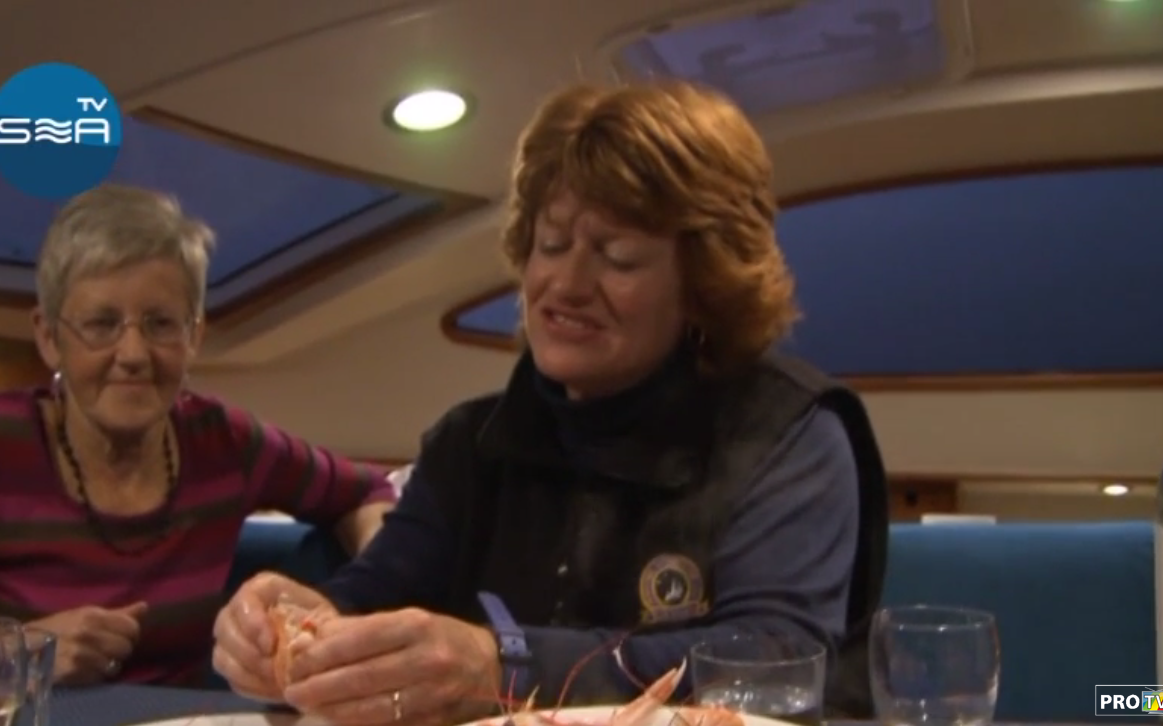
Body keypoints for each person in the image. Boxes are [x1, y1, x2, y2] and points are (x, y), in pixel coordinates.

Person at [212, 80, 888, 724]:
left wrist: (502, 665)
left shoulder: (790, 434)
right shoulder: (467, 443)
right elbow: (367, 598)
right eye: (551, 244)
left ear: (705, 282)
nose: (565, 284)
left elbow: (773, 658)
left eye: (618, 257)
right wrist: (298, 631)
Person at [0, 184, 396, 687]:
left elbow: (367, 492)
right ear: (49, 337)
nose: (133, 354)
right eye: (101, 324)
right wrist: (16, 652)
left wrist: (371, 595)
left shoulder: (227, 442)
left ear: (194, 335)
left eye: (160, 324)